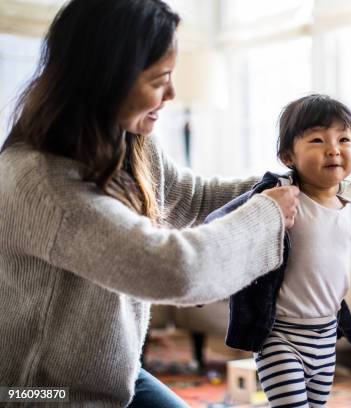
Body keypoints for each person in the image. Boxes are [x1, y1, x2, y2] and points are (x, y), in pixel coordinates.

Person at [0, 0, 298, 406]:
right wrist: (268, 216)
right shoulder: (39, 182)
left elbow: (193, 197)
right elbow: (174, 269)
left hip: (111, 373)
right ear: (108, 79)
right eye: (160, 78)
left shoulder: (131, 144)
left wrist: (287, 182)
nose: (172, 93)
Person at [207, 94, 351, 407]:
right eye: (318, 140)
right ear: (288, 157)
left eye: (344, 139)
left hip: (325, 339)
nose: (334, 148)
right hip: (279, 336)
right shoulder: (281, 201)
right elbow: (228, 225)